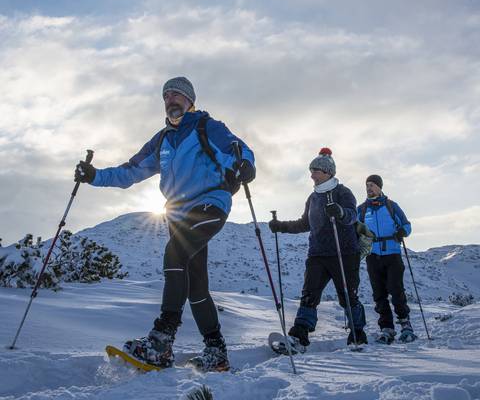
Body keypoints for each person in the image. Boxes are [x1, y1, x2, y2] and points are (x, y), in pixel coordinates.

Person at [75, 76, 255, 371]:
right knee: (196, 286)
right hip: (177, 214)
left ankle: (161, 340)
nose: (171, 99)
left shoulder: (206, 126)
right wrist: (94, 176)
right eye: (167, 96)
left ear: (190, 100)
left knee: (175, 254)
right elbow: (130, 171)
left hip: (210, 204)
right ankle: (216, 351)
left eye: (177, 95)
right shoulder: (161, 140)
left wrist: (245, 164)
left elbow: (238, 148)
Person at [269, 148, 367, 352]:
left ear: (328, 173)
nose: (312, 175)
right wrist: (281, 226)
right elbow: (305, 223)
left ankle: (358, 333)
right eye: (311, 171)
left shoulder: (343, 192)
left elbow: (351, 216)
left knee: (348, 295)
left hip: (344, 253)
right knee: (309, 294)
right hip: (317, 254)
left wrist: (340, 212)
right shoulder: (313, 198)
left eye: (316, 171)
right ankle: (299, 336)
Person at [358, 174, 415, 344]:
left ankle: (405, 325)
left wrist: (402, 232)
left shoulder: (391, 206)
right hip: (372, 255)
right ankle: (386, 328)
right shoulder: (361, 209)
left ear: (380, 187)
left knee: (396, 289)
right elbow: (355, 228)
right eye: (367, 185)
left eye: (373, 185)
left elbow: (407, 225)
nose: (369, 188)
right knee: (379, 293)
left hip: (392, 253)